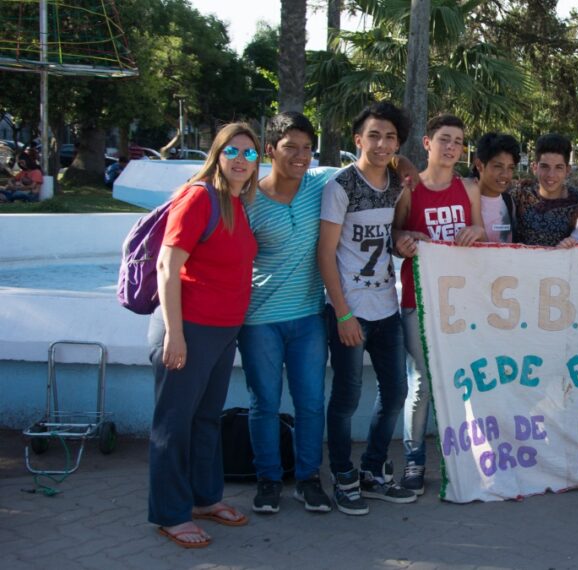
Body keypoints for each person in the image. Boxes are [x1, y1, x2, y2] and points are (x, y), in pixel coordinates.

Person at [148, 123, 260, 548]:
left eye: (249, 155)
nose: (240, 160)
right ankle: (170, 514)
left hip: (221, 332)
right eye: (233, 151)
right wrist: (175, 333)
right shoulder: (199, 197)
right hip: (188, 329)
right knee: (173, 423)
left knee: (206, 419)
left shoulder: (236, 202)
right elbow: (167, 267)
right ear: (217, 154)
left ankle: (203, 498)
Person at [319, 101, 421, 514]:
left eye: (390, 137)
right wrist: (342, 313)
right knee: (346, 397)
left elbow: (394, 228)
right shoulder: (341, 186)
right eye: (374, 135)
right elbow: (325, 254)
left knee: (395, 391)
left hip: (387, 307)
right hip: (350, 310)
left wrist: (400, 239)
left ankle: (372, 470)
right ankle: (343, 475)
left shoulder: (398, 185)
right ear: (358, 139)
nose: (382, 144)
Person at [237, 112, 339, 516]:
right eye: (290, 147)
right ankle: (268, 480)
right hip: (259, 320)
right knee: (264, 401)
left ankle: (309, 479)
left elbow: (369, 162)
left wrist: (403, 163)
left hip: (309, 319)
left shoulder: (320, 185)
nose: (300, 156)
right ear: (270, 150)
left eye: (307, 149)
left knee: (311, 401)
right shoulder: (248, 200)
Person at [394, 113, 484, 495]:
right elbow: (394, 233)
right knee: (422, 385)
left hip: (465, 303)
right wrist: (403, 238)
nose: (451, 147)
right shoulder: (409, 189)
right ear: (428, 144)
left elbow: (482, 232)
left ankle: (464, 457)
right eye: (444, 139)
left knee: (468, 381)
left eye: (458, 141)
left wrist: (476, 231)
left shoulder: (470, 189)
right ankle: (414, 462)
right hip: (419, 299)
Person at [509, 133, 578, 246]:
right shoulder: (520, 194)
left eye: (558, 167)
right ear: (535, 167)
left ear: (567, 170)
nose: (551, 174)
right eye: (545, 166)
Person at [473, 132, 521, 243]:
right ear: (479, 165)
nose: (505, 174)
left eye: (510, 168)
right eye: (498, 166)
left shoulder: (509, 201)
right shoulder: (464, 201)